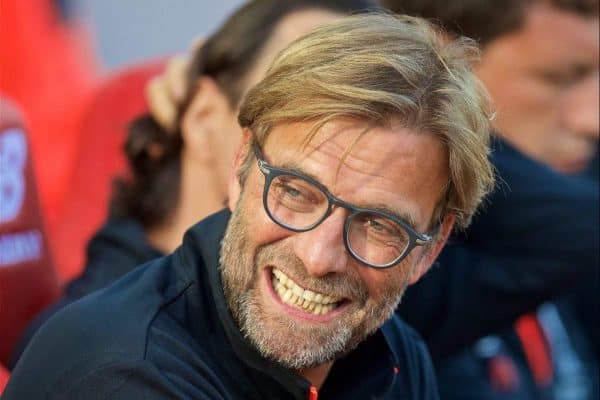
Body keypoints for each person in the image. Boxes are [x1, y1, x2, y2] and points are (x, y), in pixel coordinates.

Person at [3, 13, 495, 399]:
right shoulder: (124, 376)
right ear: (240, 167)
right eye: (297, 192)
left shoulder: (392, 356)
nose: (318, 257)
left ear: (431, 250)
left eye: (378, 224)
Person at [7, 0, 376, 367]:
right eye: (297, 104)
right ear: (202, 117)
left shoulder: (374, 290)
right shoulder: (100, 353)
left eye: (365, 125)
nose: (337, 150)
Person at [382, 0, 599, 398]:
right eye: (558, 79)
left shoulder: (554, 203)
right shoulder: (398, 271)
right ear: (441, 60)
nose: (591, 119)